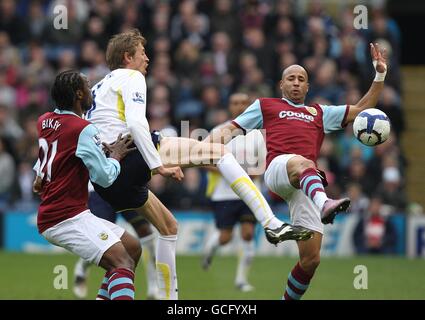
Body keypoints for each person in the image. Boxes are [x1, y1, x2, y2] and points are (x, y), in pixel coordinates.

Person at [86, 29, 313, 299]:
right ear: (128, 57)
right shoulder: (132, 76)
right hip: (128, 155)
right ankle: (271, 221)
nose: (147, 59)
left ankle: (168, 299)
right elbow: (136, 124)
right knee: (218, 152)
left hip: (104, 178)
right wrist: (157, 165)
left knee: (169, 228)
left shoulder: (98, 87)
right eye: (142, 53)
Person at [205, 43, 388, 300]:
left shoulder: (319, 113)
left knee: (311, 260)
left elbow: (363, 110)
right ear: (281, 84)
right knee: (304, 163)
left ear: (308, 87)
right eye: (291, 78)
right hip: (280, 170)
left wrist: (380, 74)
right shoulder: (265, 106)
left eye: (301, 79)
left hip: (304, 183)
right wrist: (201, 149)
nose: (296, 83)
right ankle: (325, 202)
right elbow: (230, 129)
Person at [33, 70, 140, 300]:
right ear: (79, 93)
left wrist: (39, 175)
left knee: (131, 248)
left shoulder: (45, 121)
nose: (92, 90)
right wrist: (116, 156)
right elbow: (105, 177)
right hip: (65, 217)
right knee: (122, 261)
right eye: (88, 85)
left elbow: (48, 160)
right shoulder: (82, 128)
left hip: (64, 212)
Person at [202, 93, 263, 292]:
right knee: (225, 237)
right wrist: (230, 172)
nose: (239, 106)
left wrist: (252, 173)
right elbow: (204, 160)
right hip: (224, 194)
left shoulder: (258, 134)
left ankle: (241, 280)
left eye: (243, 103)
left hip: (248, 193)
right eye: (235, 103)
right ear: (229, 106)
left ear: (249, 106)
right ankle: (209, 250)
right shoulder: (219, 131)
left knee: (247, 234)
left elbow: (262, 164)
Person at [73, 185, 159, 300]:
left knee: (145, 230)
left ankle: (153, 287)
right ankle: (82, 267)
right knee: (100, 240)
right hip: (99, 187)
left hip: (126, 185)